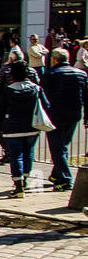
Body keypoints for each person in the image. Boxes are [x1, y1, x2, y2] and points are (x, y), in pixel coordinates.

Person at [0, 60, 51, 198]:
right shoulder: (36, 88)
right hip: (32, 126)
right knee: (28, 153)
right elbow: (46, 105)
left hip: (12, 128)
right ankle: (25, 178)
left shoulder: (8, 90)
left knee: (15, 156)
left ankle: (18, 185)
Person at [40, 47, 88, 191]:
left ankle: (66, 179)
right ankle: (56, 174)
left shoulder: (50, 75)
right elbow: (87, 97)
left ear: (54, 60)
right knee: (63, 145)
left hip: (55, 115)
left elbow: (43, 98)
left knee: (57, 148)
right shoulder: (81, 74)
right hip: (74, 115)